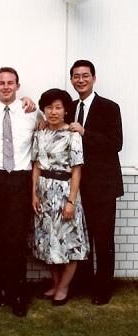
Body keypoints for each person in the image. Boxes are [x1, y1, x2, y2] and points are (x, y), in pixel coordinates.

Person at [0, 67, 40, 317]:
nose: (5, 87)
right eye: (1, 83)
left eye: (10, 83)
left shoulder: (30, 113)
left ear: (18, 85)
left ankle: (17, 294)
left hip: (19, 180)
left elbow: (47, 129)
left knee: (15, 239)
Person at [67, 60, 123, 305]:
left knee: (102, 238)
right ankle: (83, 283)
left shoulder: (109, 107)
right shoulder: (68, 107)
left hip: (102, 185)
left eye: (85, 76)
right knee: (80, 237)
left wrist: (85, 133)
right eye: (76, 76)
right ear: (71, 80)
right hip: (76, 184)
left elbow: (115, 143)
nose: (81, 80)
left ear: (94, 78)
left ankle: (103, 288)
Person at [32, 88, 89, 306]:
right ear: (44, 110)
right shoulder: (40, 133)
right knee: (47, 242)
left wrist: (71, 201)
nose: (53, 112)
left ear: (65, 110)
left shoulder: (73, 135)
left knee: (69, 242)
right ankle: (55, 284)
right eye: (49, 107)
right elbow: (36, 165)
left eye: (58, 107)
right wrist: (33, 195)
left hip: (65, 192)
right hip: (44, 193)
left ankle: (64, 287)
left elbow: (77, 170)